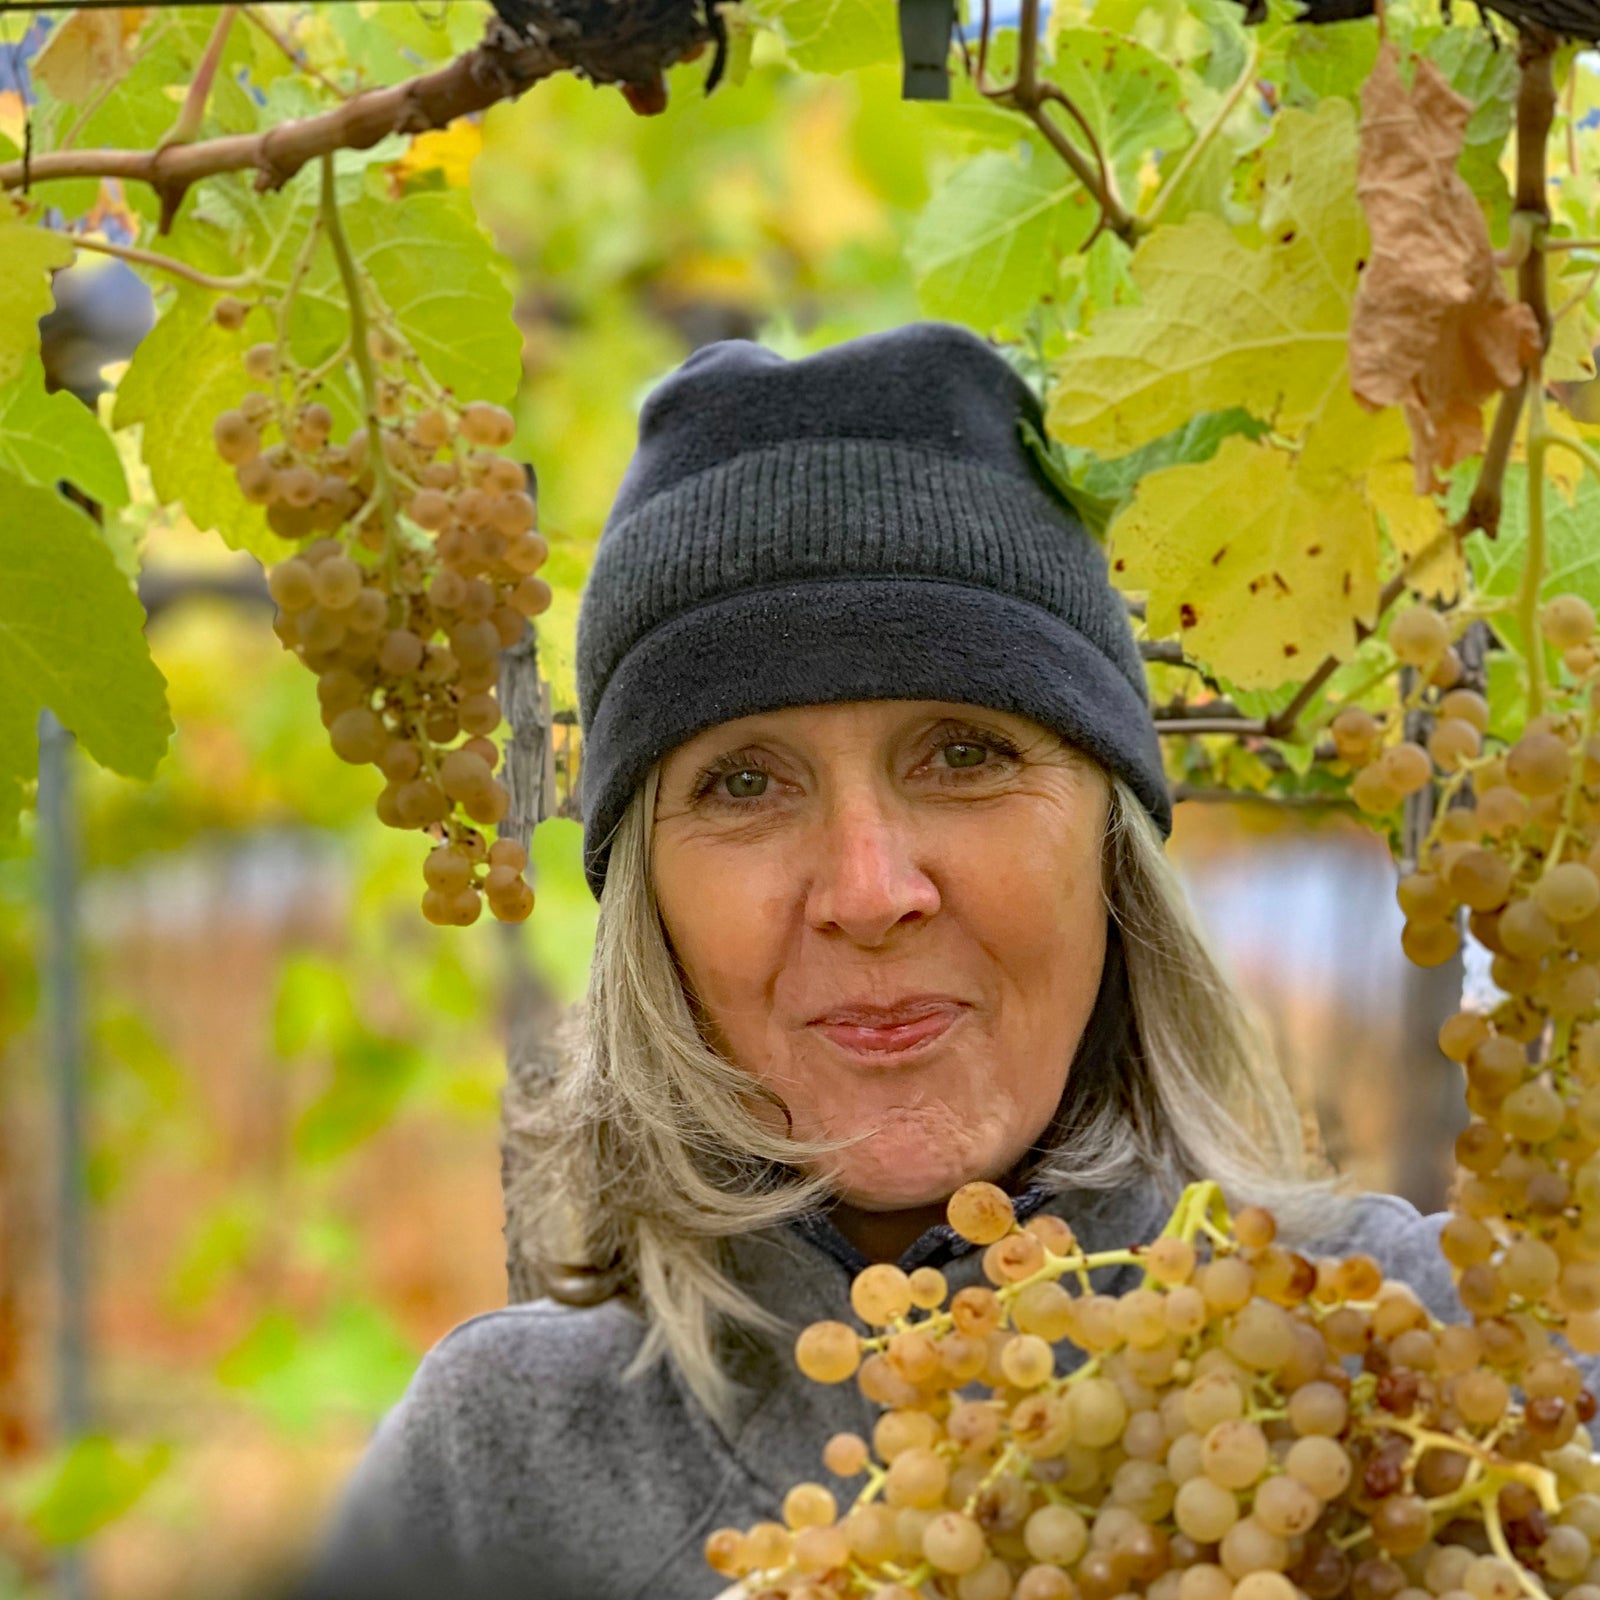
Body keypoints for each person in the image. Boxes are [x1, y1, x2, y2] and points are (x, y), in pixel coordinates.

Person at [290, 322, 1469, 1600]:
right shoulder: (495, 1467)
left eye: (963, 755)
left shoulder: (1400, 1359)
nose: (869, 891)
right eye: (744, 782)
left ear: (1110, 849)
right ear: (651, 912)